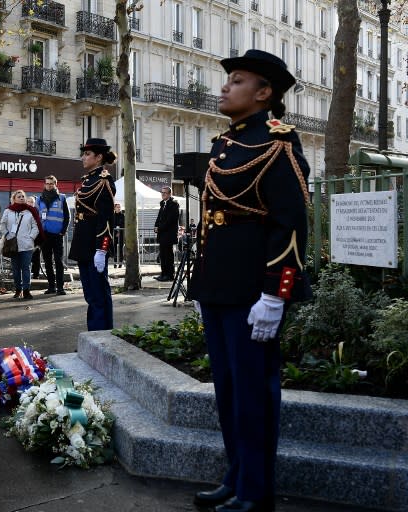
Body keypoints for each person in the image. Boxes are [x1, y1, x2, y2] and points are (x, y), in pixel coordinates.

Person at [189, 49, 311, 512]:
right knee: (227, 390)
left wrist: (275, 295)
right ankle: (236, 476)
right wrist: (202, 286)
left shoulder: (279, 145)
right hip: (219, 287)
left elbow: (291, 225)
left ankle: (256, 492)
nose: (224, 86)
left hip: (253, 292)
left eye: (236, 81)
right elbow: (210, 222)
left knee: (253, 395)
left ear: (264, 93)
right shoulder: (226, 144)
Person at [68, 138, 116, 331]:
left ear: (98, 157)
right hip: (83, 244)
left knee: (98, 294)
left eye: (87, 154)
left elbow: (106, 219)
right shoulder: (89, 180)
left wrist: (102, 249)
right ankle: (94, 335)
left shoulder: (104, 181)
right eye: (84, 153)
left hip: (94, 246)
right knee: (90, 294)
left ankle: (101, 335)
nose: (83, 157)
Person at [0, 190, 43, 300]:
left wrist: (31, 237)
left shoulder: (30, 211)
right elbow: (2, 225)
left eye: (23, 196)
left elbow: (36, 227)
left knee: (26, 268)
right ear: (14, 199)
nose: (22, 198)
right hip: (12, 244)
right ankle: (18, 289)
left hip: (27, 245)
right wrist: (8, 235)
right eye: (19, 196)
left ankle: (26, 290)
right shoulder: (8, 211)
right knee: (15, 268)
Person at [36, 176, 70, 294]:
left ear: (56, 184)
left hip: (57, 235)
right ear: (44, 184)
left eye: (51, 183)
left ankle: (60, 287)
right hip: (45, 235)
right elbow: (37, 217)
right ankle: (51, 287)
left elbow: (67, 216)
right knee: (47, 261)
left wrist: (63, 230)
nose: (49, 185)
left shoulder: (62, 198)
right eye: (47, 183)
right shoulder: (39, 199)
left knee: (58, 261)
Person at [154, 186, 179, 282]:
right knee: (163, 255)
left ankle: (169, 274)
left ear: (169, 194)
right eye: (162, 192)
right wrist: (155, 226)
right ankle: (163, 273)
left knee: (168, 255)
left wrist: (160, 228)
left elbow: (171, 220)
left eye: (164, 193)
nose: (162, 194)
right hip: (162, 234)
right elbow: (159, 217)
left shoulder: (173, 204)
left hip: (169, 234)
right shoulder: (162, 204)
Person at [26, 195, 42, 280]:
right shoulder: (23, 211)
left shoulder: (37, 212)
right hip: (25, 238)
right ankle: (27, 273)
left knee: (36, 257)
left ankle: (36, 274)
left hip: (35, 238)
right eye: (28, 201)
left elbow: (39, 226)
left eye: (31, 202)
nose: (29, 203)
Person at [112, 203, 125, 269]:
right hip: (114, 235)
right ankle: (115, 263)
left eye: (119, 207)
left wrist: (119, 231)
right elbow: (112, 224)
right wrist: (116, 232)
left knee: (120, 249)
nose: (119, 208)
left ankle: (120, 263)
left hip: (121, 234)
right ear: (114, 208)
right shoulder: (112, 215)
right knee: (114, 249)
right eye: (117, 207)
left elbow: (123, 224)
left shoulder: (122, 215)